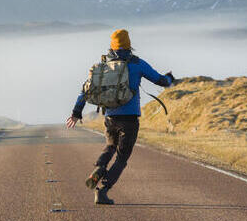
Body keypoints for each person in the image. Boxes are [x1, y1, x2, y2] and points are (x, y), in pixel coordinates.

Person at [66, 29, 174, 205]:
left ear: (112, 45)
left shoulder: (103, 66)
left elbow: (84, 90)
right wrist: (170, 79)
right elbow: (160, 80)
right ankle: (103, 190)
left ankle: (100, 168)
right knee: (122, 158)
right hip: (129, 119)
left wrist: (76, 113)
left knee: (110, 146)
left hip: (110, 117)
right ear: (129, 44)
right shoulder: (137, 64)